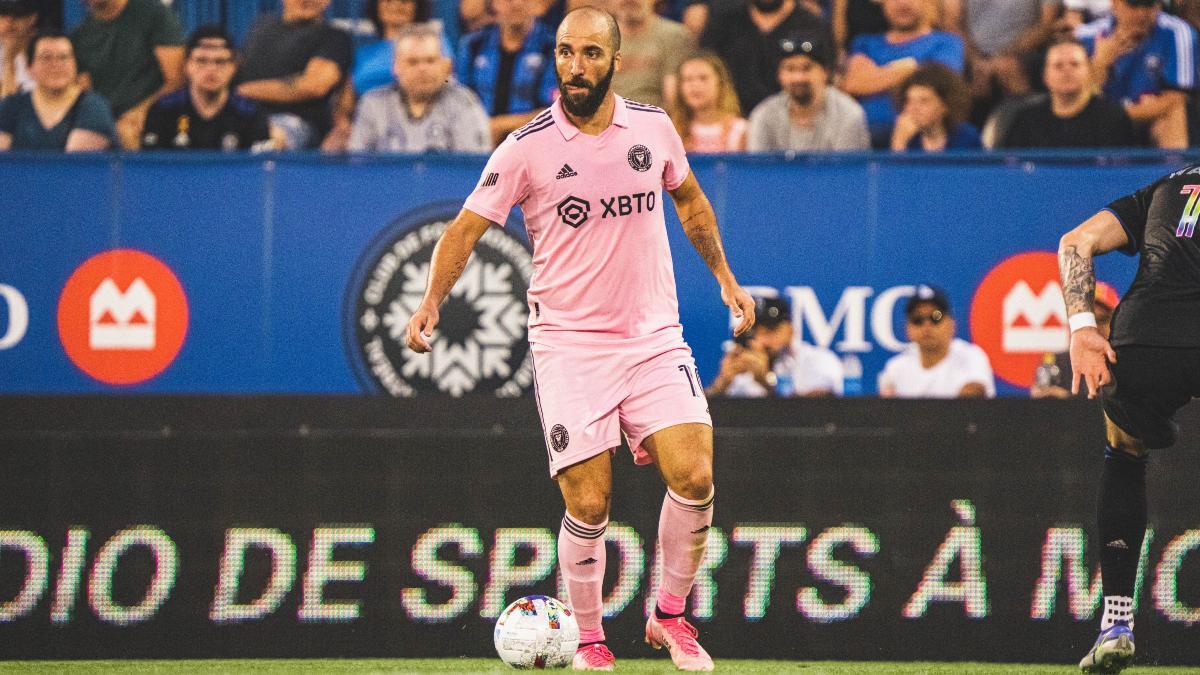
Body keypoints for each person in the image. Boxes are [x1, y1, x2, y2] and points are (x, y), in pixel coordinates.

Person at [404, 7, 756, 671]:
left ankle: (669, 616)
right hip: (570, 345)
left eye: (591, 54)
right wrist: (430, 302)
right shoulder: (526, 147)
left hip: (653, 336)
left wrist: (726, 279)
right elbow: (464, 229)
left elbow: (689, 200)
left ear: (614, 61)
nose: (576, 66)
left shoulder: (651, 127)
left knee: (697, 472)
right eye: (566, 53)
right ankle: (590, 639)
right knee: (589, 502)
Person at [1057, 165, 1200, 674]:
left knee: (1124, 449)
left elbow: (1075, 242)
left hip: (1146, 340)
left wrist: (1082, 329)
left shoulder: (1171, 183)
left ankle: (1116, 622)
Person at [348, 24, 490, 152]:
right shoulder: (373, 104)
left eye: (430, 61)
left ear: (443, 66)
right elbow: (358, 165)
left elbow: (472, 168)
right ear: (396, 67)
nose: (423, 69)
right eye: (413, 62)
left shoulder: (463, 102)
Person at [841, 0, 965, 147]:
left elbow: (940, 84)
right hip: (862, 136)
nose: (902, 3)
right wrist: (909, 68)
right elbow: (854, 84)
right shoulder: (864, 43)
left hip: (920, 135)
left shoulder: (947, 43)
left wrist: (876, 74)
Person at [1075, 0, 1197, 148]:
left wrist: (1120, 116)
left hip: (1148, 117)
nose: (1141, 14)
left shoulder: (1178, 32)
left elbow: (1176, 98)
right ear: (1114, 4)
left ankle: (1174, 169)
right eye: (1133, 6)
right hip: (1100, 120)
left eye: (1148, 6)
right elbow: (1077, 102)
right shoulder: (1085, 36)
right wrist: (1100, 64)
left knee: (1173, 113)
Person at [237, 0, 354, 150]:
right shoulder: (261, 28)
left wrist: (242, 91)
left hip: (296, 123)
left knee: (268, 138)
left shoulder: (335, 38)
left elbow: (315, 86)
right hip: (244, 116)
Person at [70, 0, 185, 150]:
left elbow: (177, 80)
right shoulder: (79, 35)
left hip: (155, 118)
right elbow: (84, 91)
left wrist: (142, 113)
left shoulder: (154, 15)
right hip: (106, 125)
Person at [141, 27, 272, 151]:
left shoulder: (250, 114)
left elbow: (258, 170)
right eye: (201, 61)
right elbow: (152, 168)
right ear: (187, 65)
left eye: (220, 62)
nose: (211, 69)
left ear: (233, 67)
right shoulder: (163, 111)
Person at [999, 38, 1137, 148]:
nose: (1067, 71)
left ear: (1089, 72)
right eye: (1058, 65)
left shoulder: (1113, 118)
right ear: (1045, 76)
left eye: (1075, 64)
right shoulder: (1025, 121)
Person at [748, 30, 871, 152]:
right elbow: (758, 169)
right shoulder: (764, 116)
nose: (798, 77)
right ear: (780, 75)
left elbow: (847, 170)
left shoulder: (848, 114)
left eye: (807, 68)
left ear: (825, 73)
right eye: (790, 69)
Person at [457, 0, 558, 146]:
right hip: (477, 144)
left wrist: (500, 126)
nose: (517, 3)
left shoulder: (554, 47)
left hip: (534, 144)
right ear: (494, 3)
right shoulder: (473, 45)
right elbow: (460, 102)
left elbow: (554, 111)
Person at [700, 0, 828, 113]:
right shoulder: (724, 21)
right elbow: (704, 67)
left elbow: (826, 77)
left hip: (791, 121)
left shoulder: (810, 25)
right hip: (730, 121)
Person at [707, 296, 844, 397]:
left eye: (769, 330)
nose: (760, 340)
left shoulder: (818, 360)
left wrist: (766, 382)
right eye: (754, 332)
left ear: (790, 329)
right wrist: (721, 384)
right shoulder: (745, 366)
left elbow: (817, 412)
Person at [0, 32, 114, 151]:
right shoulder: (11, 105)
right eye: (46, 58)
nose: (56, 65)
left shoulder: (94, 106)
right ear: (29, 68)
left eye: (64, 57)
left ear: (75, 65)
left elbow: (73, 165)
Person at [878, 285, 996, 398]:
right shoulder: (896, 368)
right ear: (908, 328)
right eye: (917, 319)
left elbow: (973, 400)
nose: (927, 325)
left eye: (936, 317)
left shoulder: (971, 356)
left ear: (951, 324)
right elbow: (887, 411)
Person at [944, 0, 1061, 104]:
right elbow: (951, 23)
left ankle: (1030, 119)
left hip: (1025, 51)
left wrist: (1002, 56)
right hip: (972, 53)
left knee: (1008, 67)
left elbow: (1047, 24)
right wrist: (976, 60)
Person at [1030, 282, 1119, 399]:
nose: (1093, 328)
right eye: (1086, 321)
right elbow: (1041, 401)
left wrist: (1068, 399)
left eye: (1101, 320)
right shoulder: (1057, 363)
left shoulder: (1127, 363)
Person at [610, 0, 694, 108]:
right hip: (608, 121)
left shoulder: (675, 36)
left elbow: (673, 97)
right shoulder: (599, 37)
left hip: (657, 118)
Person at [890, 63, 980, 151]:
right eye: (909, 101)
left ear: (945, 105)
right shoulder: (905, 139)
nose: (914, 108)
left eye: (924, 101)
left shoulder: (967, 138)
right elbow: (895, 165)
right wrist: (899, 142)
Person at [670, 51, 748, 152]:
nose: (695, 85)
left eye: (703, 78)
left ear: (720, 83)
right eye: (688, 79)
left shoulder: (740, 130)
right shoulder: (671, 131)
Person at [0, 0, 37, 97]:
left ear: (32, 18)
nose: (9, 23)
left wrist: (9, 61)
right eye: (3, 15)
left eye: (17, 16)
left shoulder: (46, 53)